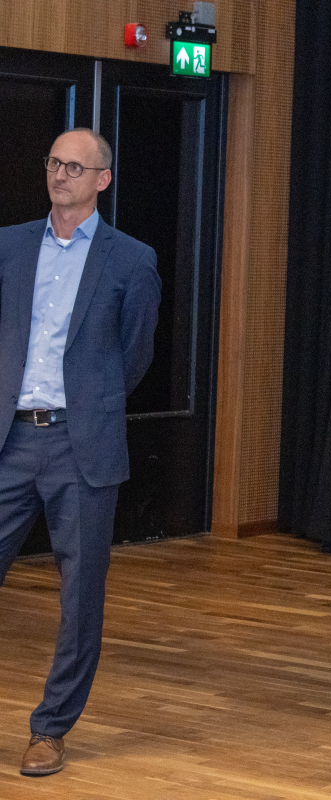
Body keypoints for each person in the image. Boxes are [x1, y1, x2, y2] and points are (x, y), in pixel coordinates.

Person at [0, 129, 161, 777]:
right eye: (54, 162)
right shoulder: (9, 245)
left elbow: (135, 355)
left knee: (80, 597)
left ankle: (50, 729)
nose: (60, 174)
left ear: (102, 180)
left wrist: (90, 407)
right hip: (9, 439)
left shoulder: (132, 260)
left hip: (81, 445)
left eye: (75, 166)